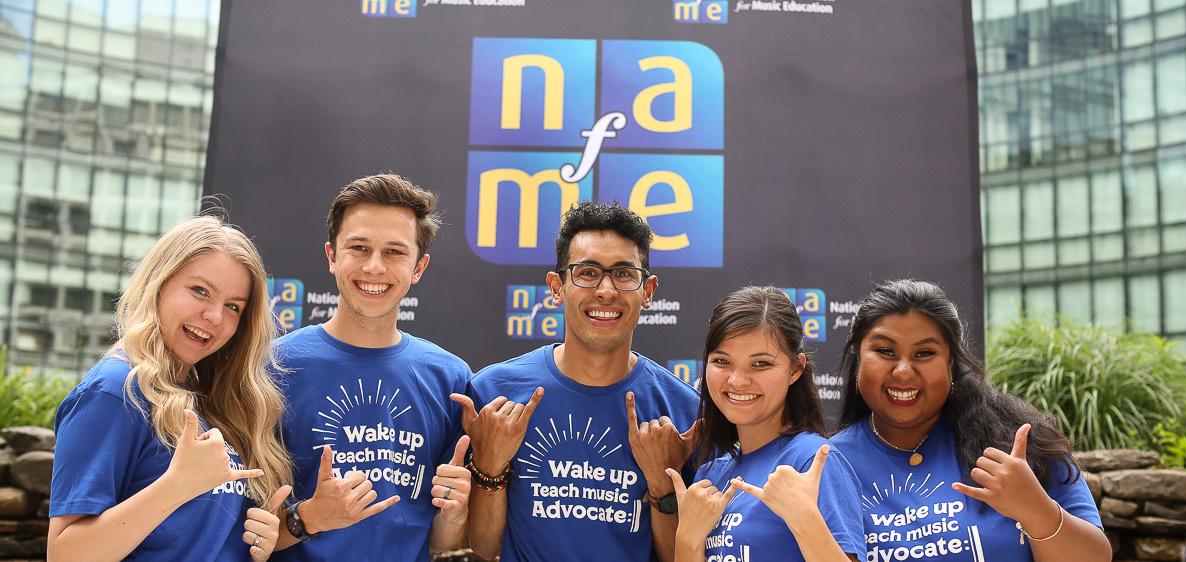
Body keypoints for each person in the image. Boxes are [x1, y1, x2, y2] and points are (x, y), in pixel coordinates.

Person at [460, 201, 700, 562]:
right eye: (587, 272)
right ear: (557, 287)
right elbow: (482, 548)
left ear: (648, 291)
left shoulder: (684, 410)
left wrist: (662, 487)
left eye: (624, 273)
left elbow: (683, 557)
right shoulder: (494, 392)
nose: (606, 291)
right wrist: (489, 469)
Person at [48, 216, 293, 561]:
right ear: (159, 283)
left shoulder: (210, 398)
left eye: (233, 306)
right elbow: (65, 554)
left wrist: (258, 535)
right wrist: (176, 486)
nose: (214, 316)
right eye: (200, 291)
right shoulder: (115, 391)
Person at [830, 279, 1109, 561]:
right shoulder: (828, 464)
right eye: (885, 351)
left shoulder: (1018, 444)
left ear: (951, 364)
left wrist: (1036, 510)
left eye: (924, 353)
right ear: (858, 358)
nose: (903, 371)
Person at [272, 174, 472, 561]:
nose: (374, 267)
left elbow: (440, 544)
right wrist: (308, 517)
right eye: (359, 248)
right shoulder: (275, 366)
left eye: (394, 252)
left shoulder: (450, 379)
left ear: (419, 267)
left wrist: (454, 514)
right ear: (332, 256)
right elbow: (240, 530)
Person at [670, 285, 866, 562]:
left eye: (760, 364)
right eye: (722, 361)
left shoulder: (812, 461)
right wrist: (687, 540)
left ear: (795, 369)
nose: (737, 381)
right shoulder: (710, 474)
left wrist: (805, 520)